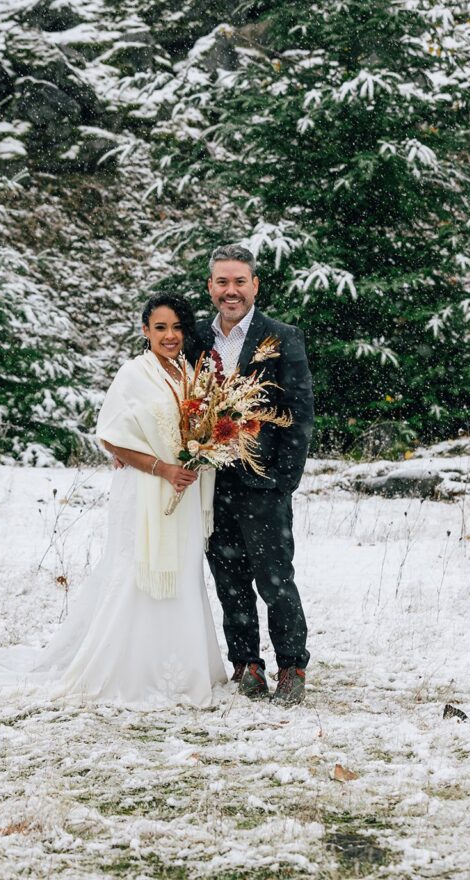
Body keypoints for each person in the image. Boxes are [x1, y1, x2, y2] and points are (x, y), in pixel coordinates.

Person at [0, 293, 227, 709]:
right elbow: (111, 437)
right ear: (145, 331)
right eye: (160, 328)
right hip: (146, 487)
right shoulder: (133, 374)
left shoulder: (188, 373)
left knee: (182, 571)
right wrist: (162, 469)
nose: (170, 335)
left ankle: (181, 667)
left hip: (185, 488)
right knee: (138, 571)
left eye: (177, 327)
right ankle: (128, 669)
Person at [187, 244, 314, 704]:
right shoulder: (195, 339)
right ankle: (247, 666)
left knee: (275, 578)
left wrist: (285, 480)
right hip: (209, 483)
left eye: (239, 281)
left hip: (264, 484)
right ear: (210, 287)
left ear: (255, 285)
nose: (231, 290)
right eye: (222, 282)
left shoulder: (282, 337)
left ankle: (292, 667)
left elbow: (300, 414)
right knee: (229, 578)